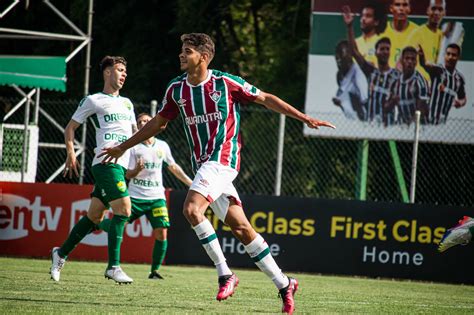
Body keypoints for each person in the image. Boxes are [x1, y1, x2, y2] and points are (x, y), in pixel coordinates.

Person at [99, 33, 335, 314]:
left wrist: (304, 118)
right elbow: (158, 124)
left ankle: (225, 274)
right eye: (181, 50)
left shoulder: (225, 83)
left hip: (223, 160)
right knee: (242, 228)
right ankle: (284, 284)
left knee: (192, 209)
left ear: (204, 56)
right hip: (205, 165)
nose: (181, 55)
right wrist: (123, 147)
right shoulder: (177, 89)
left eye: (187, 51)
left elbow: (266, 98)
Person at [50, 56, 136, 284]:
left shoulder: (128, 103)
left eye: (125, 71)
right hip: (106, 163)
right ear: (107, 72)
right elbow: (70, 128)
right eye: (120, 70)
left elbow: (135, 134)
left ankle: (61, 253)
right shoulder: (94, 100)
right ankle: (113, 267)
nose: (124, 74)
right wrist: (71, 153)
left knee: (94, 216)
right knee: (124, 210)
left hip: (121, 165)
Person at [96, 112, 193, 279]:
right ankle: (97, 224)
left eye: (147, 121)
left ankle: (154, 271)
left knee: (161, 232)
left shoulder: (162, 146)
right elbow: (127, 174)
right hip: (135, 197)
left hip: (156, 198)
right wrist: (137, 171)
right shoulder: (133, 147)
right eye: (140, 122)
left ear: (153, 124)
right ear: (138, 126)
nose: (143, 123)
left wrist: (192, 184)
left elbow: (173, 167)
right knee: (117, 225)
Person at [343, 5, 400, 125]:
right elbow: (354, 52)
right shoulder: (372, 72)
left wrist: (388, 106)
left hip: (388, 125)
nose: (385, 51)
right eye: (382, 49)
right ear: (376, 52)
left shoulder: (396, 75)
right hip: (370, 123)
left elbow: (397, 98)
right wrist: (349, 26)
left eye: (387, 49)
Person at [419, 43, 466, 125]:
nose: (450, 57)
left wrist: (461, 103)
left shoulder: (459, 78)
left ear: (459, 57)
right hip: (427, 121)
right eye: (448, 54)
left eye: (454, 55)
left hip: (442, 123)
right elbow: (425, 64)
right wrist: (421, 56)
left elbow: (463, 98)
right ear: (445, 55)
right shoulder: (437, 70)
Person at [385, 46, 429, 125]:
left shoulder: (420, 81)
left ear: (416, 62)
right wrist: (392, 102)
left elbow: (421, 111)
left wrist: (409, 126)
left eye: (413, 59)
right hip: (400, 126)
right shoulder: (395, 81)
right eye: (407, 58)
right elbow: (386, 108)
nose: (409, 61)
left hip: (418, 127)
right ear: (402, 61)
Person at [407, 0, 446, 81]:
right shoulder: (417, 33)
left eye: (440, 10)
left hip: (436, 86)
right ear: (428, 10)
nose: (436, 13)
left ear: (444, 13)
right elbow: (407, 61)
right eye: (433, 9)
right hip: (419, 84)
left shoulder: (443, 37)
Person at [332, 40, 368, 121]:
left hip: (364, 115)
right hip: (351, 117)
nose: (339, 60)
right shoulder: (339, 75)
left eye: (342, 56)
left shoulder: (358, 75)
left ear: (349, 55)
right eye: (337, 57)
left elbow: (364, 100)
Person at [381, 0, 418, 68]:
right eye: (397, 5)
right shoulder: (381, 30)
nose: (401, 9)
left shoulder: (417, 32)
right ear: (391, 8)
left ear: (409, 8)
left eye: (405, 5)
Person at [354, 1, 388, 65]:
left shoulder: (382, 43)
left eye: (368, 16)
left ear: (376, 22)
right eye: (362, 16)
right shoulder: (355, 42)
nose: (363, 19)